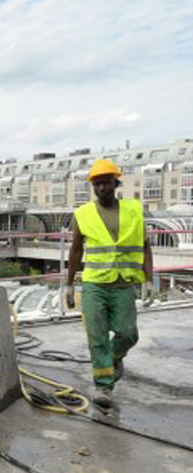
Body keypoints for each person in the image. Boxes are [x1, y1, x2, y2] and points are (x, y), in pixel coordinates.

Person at [65, 159, 153, 408]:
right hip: (94, 284)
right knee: (97, 337)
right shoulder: (82, 214)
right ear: (93, 186)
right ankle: (104, 387)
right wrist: (69, 284)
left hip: (123, 283)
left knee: (128, 334)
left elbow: (145, 247)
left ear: (116, 183)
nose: (102, 188)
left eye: (106, 182)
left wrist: (149, 279)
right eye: (97, 184)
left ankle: (114, 359)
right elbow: (75, 250)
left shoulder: (134, 210)